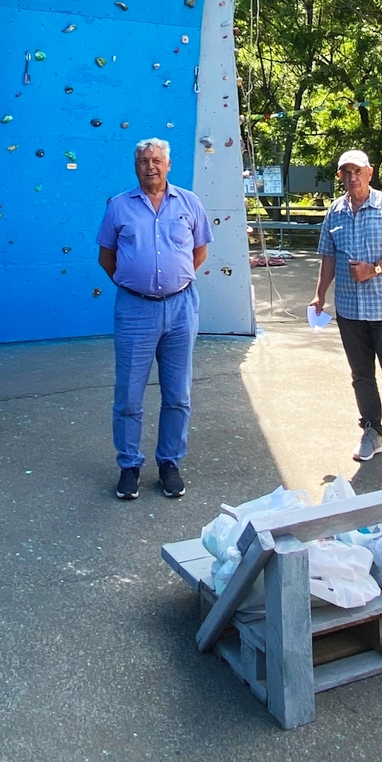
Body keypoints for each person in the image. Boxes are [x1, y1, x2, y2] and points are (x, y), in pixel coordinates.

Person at [97, 138, 212, 501]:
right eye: (145, 161)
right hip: (135, 310)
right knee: (129, 395)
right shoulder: (118, 206)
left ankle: (169, 464)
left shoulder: (190, 203)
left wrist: (172, 283)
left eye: (157, 160)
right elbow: (107, 258)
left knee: (178, 394)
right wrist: (138, 283)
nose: (151, 166)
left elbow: (200, 251)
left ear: (168, 165)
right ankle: (129, 465)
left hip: (181, 309)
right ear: (136, 167)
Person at [311, 150, 382, 470]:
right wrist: (319, 295)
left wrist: (373, 269)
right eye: (345, 172)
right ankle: (371, 431)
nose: (352, 177)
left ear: (370, 172)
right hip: (349, 310)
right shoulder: (335, 212)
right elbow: (328, 257)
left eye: (357, 170)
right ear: (340, 177)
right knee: (361, 375)